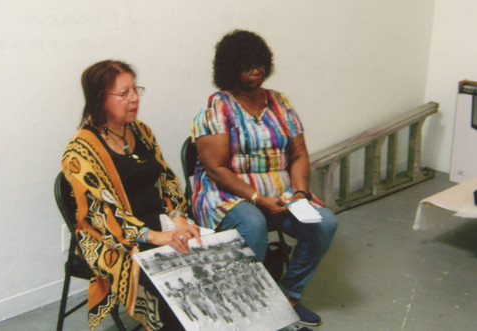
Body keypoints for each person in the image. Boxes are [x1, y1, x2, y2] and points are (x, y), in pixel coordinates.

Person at [191, 30, 338, 327]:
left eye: (259, 64)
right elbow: (216, 168)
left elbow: (298, 154)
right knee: (253, 223)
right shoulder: (217, 108)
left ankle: (287, 298)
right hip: (227, 195)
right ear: (230, 69)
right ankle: (246, 308)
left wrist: (299, 193)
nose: (255, 71)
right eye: (246, 66)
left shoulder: (280, 103)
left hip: (280, 194)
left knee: (325, 223)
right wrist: (257, 198)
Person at [61, 60, 200, 330]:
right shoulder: (80, 151)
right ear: (100, 99)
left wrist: (179, 218)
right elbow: (103, 217)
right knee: (172, 285)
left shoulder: (141, 131)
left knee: (208, 260)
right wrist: (157, 236)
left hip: (158, 223)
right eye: (124, 93)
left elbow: (166, 178)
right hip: (112, 238)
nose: (134, 98)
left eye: (135, 90)